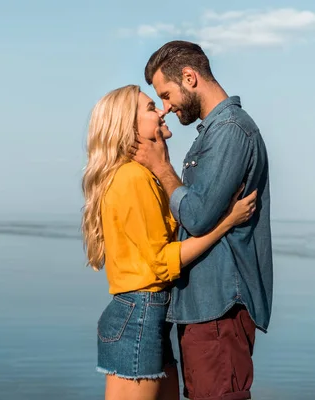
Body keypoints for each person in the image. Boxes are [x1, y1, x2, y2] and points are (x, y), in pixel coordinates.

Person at [81, 84, 257, 400]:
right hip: (140, 314)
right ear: (128, 126)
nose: (162, 109)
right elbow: (161, 262)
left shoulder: (141, 175)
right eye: (150, 107)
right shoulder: (133, 178)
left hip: (145, 313)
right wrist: (226, 223)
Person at [131, 40, 273, 400]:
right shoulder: (214, 133)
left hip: (219, 308)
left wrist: (161, 168)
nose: (165, 108)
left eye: (165, 94)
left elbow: (196, 217)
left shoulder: (230, 132)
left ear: (190, 78)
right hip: (204, 309)